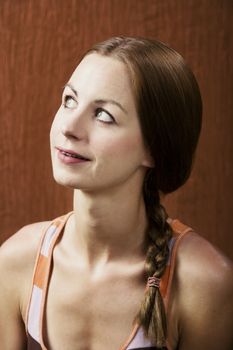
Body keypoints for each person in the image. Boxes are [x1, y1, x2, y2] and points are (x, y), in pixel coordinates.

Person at [0, 36, 232, 350]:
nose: (69, 126)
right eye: (69, 99)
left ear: (153, 149)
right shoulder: (15, 262)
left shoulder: (203, 283)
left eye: (103, 115)